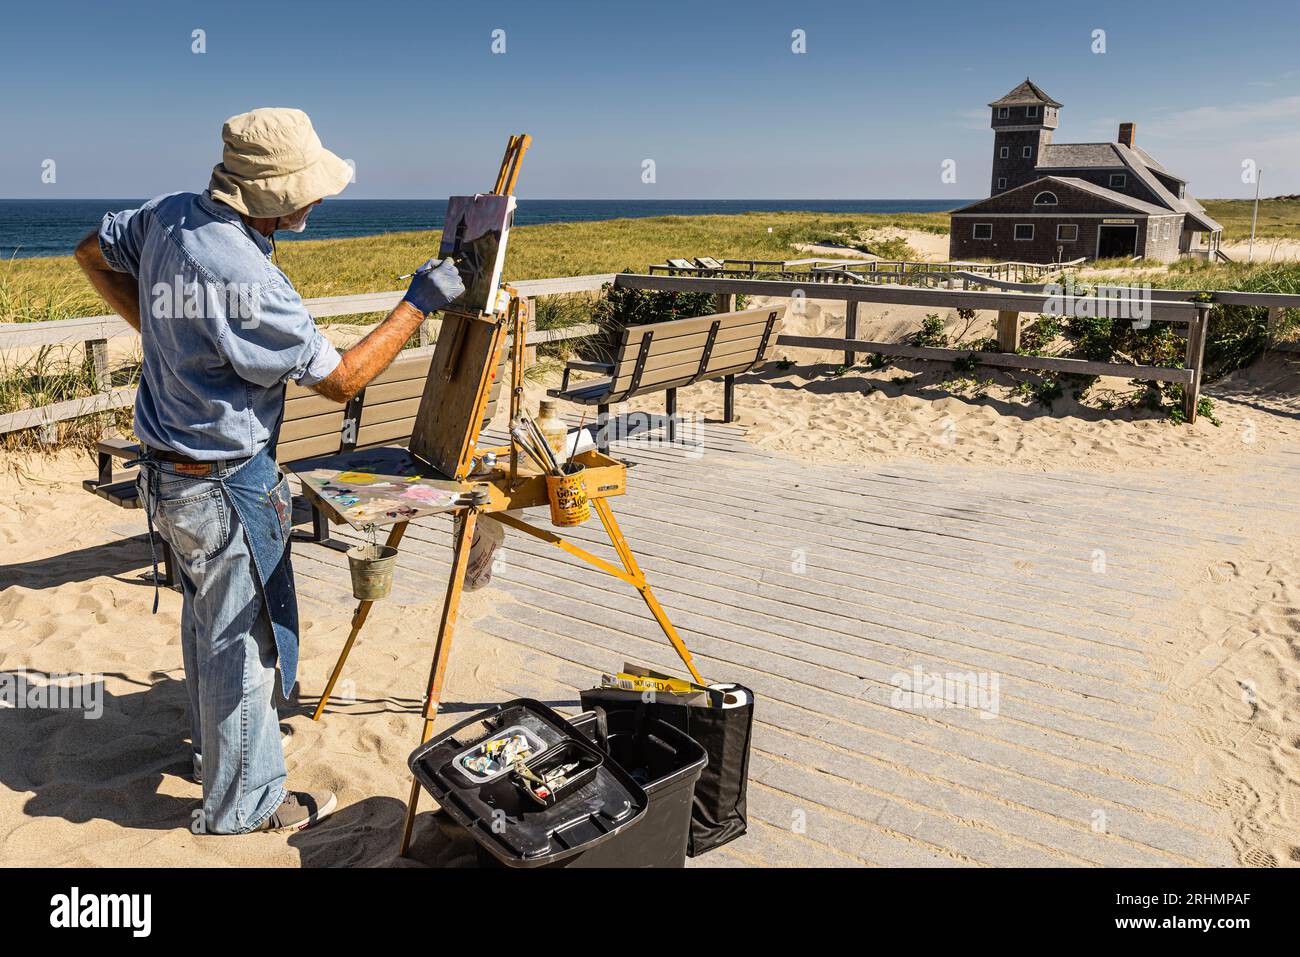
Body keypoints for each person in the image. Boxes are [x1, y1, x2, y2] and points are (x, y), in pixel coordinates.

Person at [73, 108, 464, 834]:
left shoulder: (167, 217)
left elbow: (89, 249)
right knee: (242, 643)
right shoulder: (249, 277)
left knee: (206, 623)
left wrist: (160, 334)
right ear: (274, 197)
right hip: (221, 481)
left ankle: (215, 758)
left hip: (164, 476)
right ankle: (243, 803)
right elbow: (343, 379)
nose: (317, 200)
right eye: (307, 188)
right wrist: (418, 303)